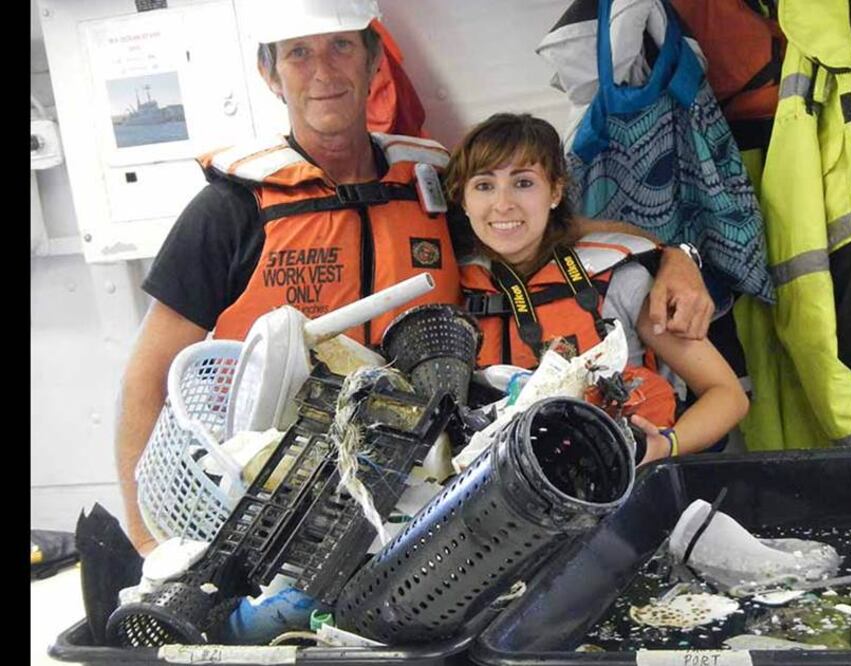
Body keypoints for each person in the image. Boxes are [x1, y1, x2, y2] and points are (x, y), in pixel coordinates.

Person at [115, 0, 714, 554]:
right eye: (299, 52)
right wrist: (147, 543)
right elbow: (149, 375)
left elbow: (531, 222)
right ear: (271, 74)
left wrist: (674, 255)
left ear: (374, 60)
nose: (323, 70)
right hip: (276, 495)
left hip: (420, 492)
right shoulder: (229, 210)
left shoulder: (427, 184)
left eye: (342, 47)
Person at [446, 113, 748, 464]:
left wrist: (663, 446)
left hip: (621, 484)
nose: (503, 204)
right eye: (484, 185)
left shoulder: (619, 280)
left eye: (523, 183)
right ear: (462, 200)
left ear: (555, 191)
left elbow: (727, 395)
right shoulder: (450, 293)